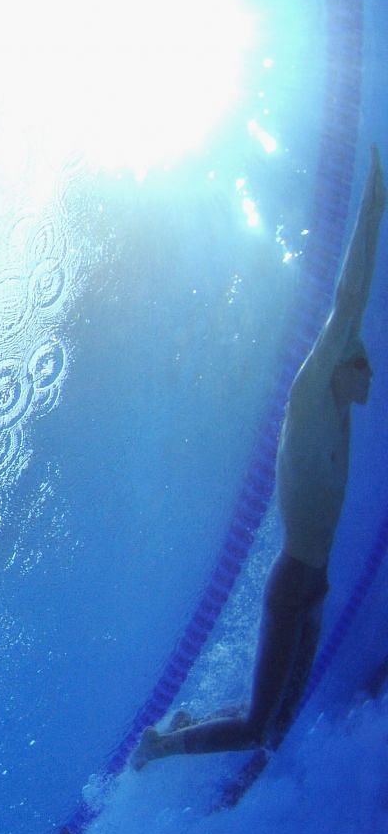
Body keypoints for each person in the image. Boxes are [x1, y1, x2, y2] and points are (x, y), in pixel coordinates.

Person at [136, 147, 383, 766]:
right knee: (255, 728)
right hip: (293, 580)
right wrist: (375, 201)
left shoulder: (341, 416)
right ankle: (158, 747)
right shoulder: (312, 396)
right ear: (344, 363)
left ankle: (187, 722)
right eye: (366, 371)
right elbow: (349, 296)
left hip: (315, 583)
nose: (371, 385)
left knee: (272, 729)